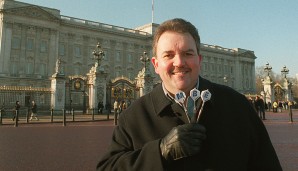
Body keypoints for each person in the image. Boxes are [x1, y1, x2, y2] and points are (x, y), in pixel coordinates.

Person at [97, 18, 282, 170]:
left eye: (187, 53)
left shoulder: (236, 105)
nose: (179, 62)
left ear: (199, 60)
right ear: (155, 64)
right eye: (168, 55)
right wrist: (159, 152)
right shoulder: (133, 116)